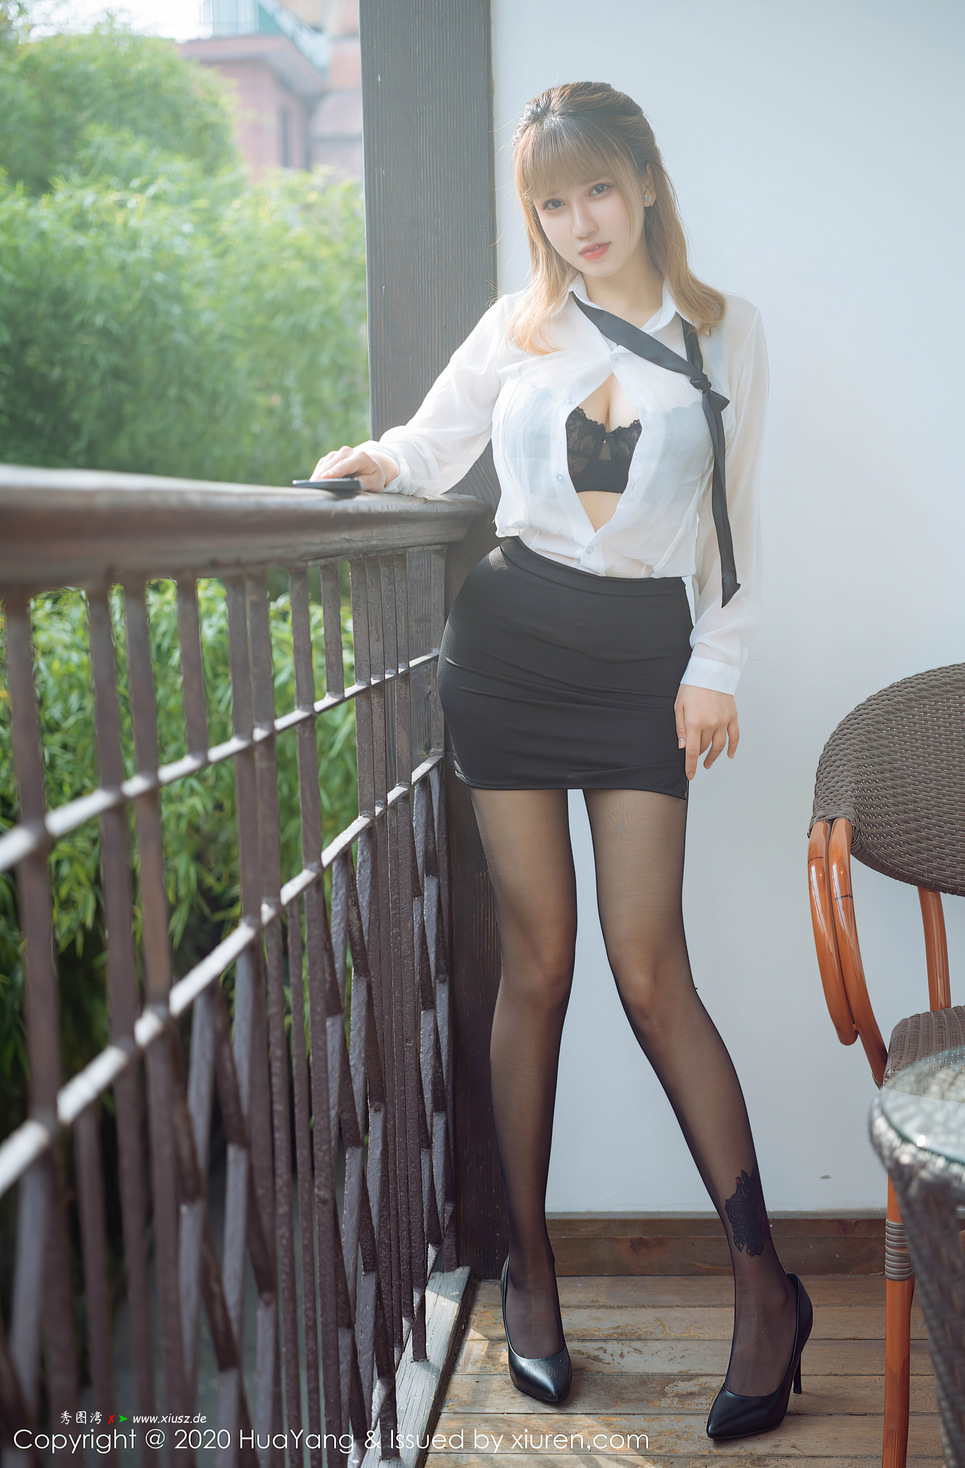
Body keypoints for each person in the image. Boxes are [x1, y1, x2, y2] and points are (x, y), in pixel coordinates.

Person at [311, 80, 812, 1443]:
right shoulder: (519, 325)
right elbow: (432, 447)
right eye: (550, 201)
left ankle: (764, 1286)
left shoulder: (726, 331)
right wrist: (373, 463)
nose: (579, 221)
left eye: (597, 188)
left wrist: (716, 669)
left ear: (644, 181)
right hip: (508, 647)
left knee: (651, 970)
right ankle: (528, 1274)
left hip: (644, 657)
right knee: (537, 966)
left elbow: (737, 526)